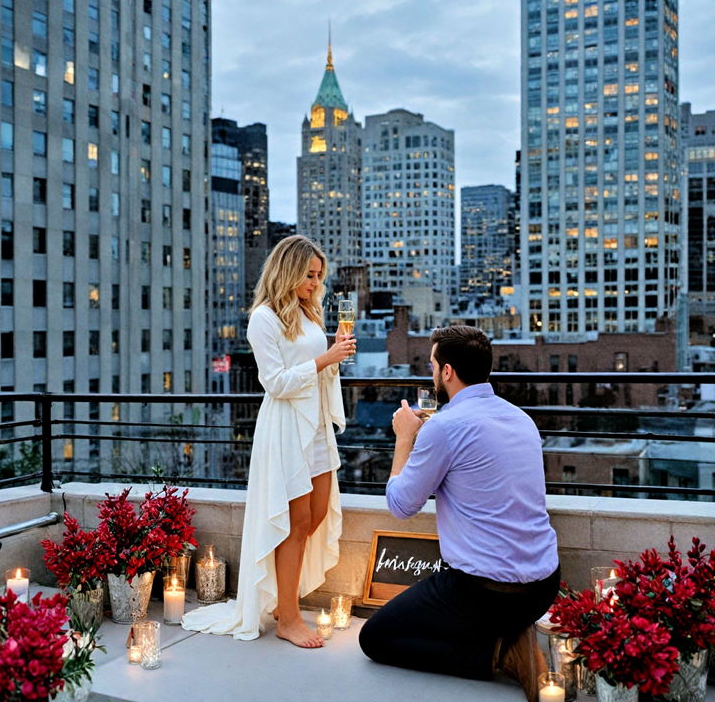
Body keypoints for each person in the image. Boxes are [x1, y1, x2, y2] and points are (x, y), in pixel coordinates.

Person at [358, 326, 559, 702]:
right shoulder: (521, 419)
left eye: (432, 365)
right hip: (543, 587)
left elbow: (402, 505)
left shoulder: (445, 427)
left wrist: (405, 438)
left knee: (376, 637)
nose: (431, 373)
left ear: (447, 372)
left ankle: (501, 655)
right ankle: (512, 632)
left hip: (486, 593)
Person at [182, 235, 356, 648]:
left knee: (313, 518)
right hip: (285, 430)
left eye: (318, 276)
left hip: (314, 428)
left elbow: (314, 370)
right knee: (294, 525)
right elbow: (274, 382)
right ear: (289, 271)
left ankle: (282, 599)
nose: (315, 283)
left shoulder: (307, 312)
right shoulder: (264, 318)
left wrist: (333, 356)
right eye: (309, 275)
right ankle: (288, 616)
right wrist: (325, 359)